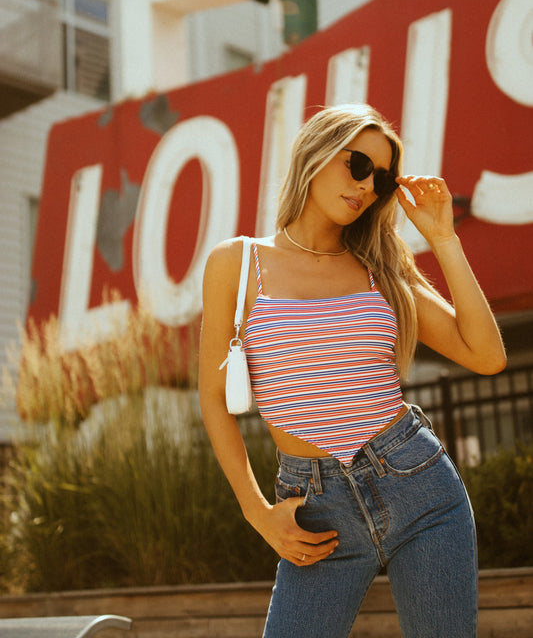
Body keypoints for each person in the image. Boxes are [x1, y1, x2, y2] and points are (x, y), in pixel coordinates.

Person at [199, 103, 506, 638]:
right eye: (358, 165)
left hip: (419, 488)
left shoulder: (379, 269)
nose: (367, 186)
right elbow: (211, 397)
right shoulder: (238, 263)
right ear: (315, 154)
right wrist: (257, 512)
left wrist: (444, 240)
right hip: (315, 511)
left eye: (381, 179)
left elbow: (487, 355)